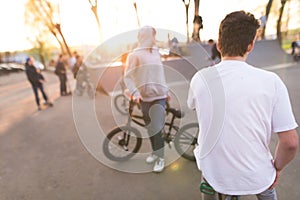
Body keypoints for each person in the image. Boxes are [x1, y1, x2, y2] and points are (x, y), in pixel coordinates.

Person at [187, 11, 298, 199]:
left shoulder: (200, 78)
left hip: (214, 172)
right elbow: (290, 143)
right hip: (258, 174)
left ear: (219, 45)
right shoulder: (272, 82)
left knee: (208, 183)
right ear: (251, 45)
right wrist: (276, 168)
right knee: (267, 187)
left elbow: (193, 105)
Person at [124, 26, 169, 173]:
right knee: (151, 129)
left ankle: (160, 158)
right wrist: (135, 93)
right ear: (146, 37)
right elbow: (128, 77)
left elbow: (159, 73)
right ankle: (155, 152)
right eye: (153, 36)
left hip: (160, 96)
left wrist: (166, 90)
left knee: (157, 128)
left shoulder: (156, 52)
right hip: (144, 97)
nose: (155, 39)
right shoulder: (135, 55)